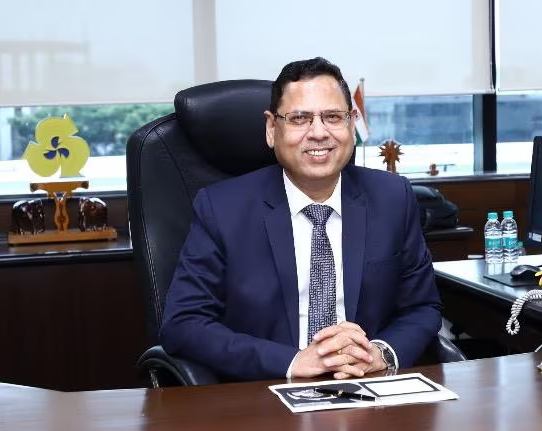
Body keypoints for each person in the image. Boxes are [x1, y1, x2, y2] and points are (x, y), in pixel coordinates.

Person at [160, 57, 442, 381]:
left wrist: (380, 353)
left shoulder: (392, 198)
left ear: (351, 123)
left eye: (332, 117)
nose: (319, 133)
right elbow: (184, 323)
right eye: (299, 118)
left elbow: (423, 308)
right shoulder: (221, 209)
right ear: (271, 129)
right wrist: (293, 362)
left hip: (367, 386)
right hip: (264, 390)